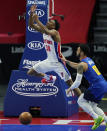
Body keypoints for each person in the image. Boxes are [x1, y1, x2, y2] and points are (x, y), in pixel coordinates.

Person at [27, 5, 81, 96]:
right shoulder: (44, 31)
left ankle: (83, 101)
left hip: (57, 62)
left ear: (54, 26)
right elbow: (31, 25)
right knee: (31, 72)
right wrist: (32, 13)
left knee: (71, 84)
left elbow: (47, 31)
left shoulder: (55, 33)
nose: (48, 22)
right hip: (49, 61)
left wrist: (37, 20)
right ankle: (51, 78)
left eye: (51, 22)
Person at [62, 44, 107, 130]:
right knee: (93, 107)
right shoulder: (88, 60)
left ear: (82, 52)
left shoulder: (82, 64)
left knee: (80, 100)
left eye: (78, 50)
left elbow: (78, 82)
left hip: (97, 86)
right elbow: (77, 65)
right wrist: (66, 61)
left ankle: (96, 118)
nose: (76, 51)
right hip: (104, 85)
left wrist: (69, 89)